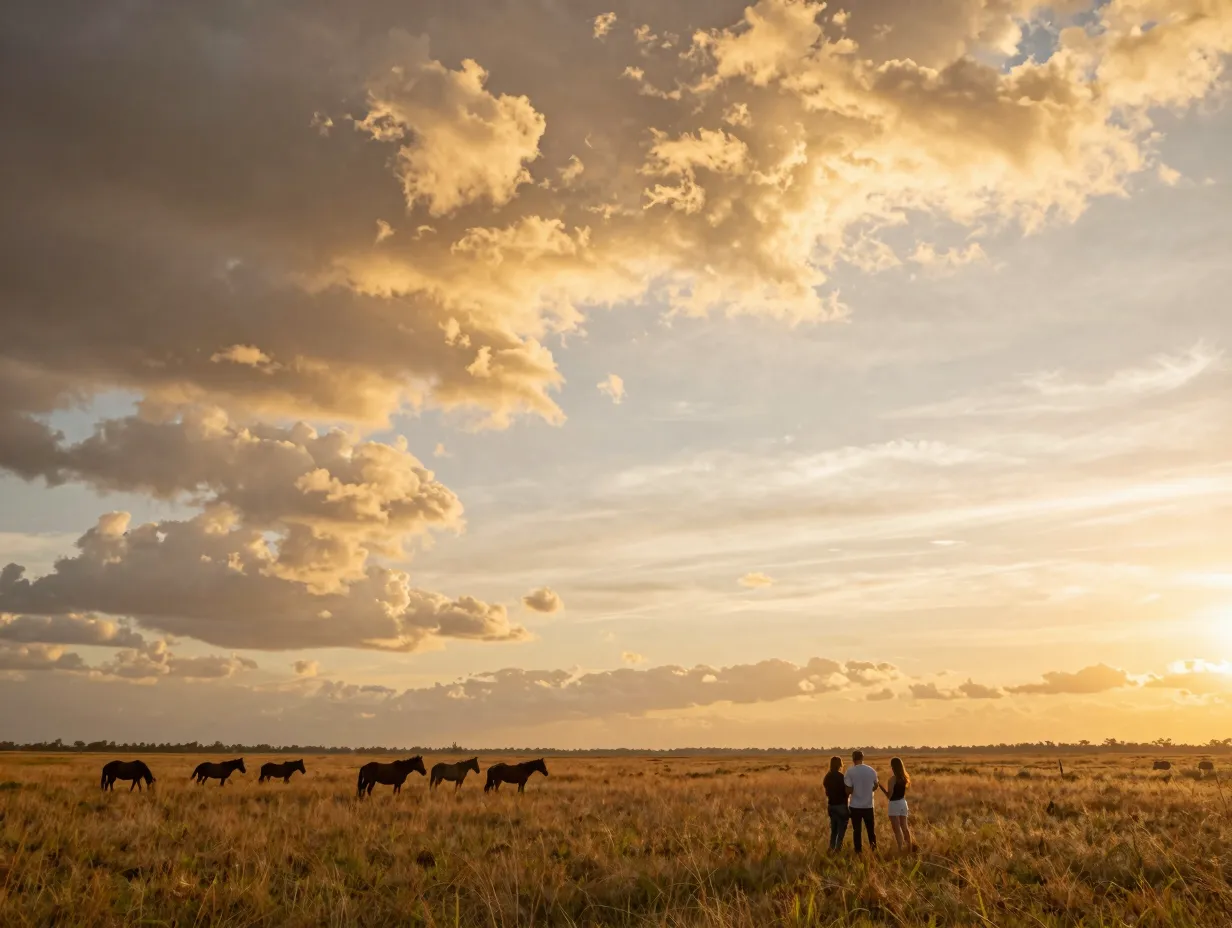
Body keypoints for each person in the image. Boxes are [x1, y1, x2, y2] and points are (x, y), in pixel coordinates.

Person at [878, 756, 915, 852]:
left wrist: (881, 787)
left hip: (894, 804)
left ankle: (900, 849)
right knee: (904, 826)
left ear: (893, 767)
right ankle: (909, 848)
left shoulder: (892, 779)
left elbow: (889, 796)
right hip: (903, 803)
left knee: (896, 828)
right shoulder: (905, 778)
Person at [844, 750, 878, 853]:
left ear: (853, 759)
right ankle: (874, 849)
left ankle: (858, 851)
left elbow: (848, 790)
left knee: (857, 831)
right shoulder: (871, 770)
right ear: (862, 758)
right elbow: (876, 785)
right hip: (868, 805)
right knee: (871, 830)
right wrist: (868, 790)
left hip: (855, 806)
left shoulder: (850, 772)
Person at [822, 755, 849, 851]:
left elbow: (826, 791)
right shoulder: (842, 777)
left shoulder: (827, 777)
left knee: (834, 830)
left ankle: (831, 848)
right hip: (841, 805)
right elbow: (847, 791)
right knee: (841, 830)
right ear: (840, 765)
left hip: (831, 805)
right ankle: (838, 849)